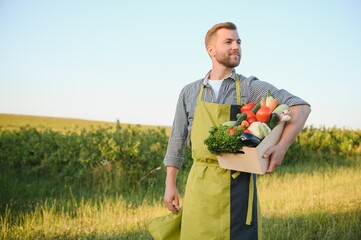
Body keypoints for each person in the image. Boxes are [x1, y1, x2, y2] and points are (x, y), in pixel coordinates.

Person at [163, 22, 311, 239]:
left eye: (238, 42)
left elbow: (301, 107)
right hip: (200, 186)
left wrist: (281, 147)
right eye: (228, 42)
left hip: (238, 187)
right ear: (211, 50)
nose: (236, 47)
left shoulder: (250, 87)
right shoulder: (189, 92)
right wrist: (170, 185)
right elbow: (177, 139)